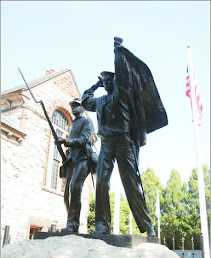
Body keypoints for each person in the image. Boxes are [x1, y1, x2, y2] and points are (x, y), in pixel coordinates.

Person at [82, 37, 168, 236]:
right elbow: (85, 100)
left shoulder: (122, 93)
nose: (105, 82)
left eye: (107, 79)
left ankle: (147, 226)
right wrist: (96, 84)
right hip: (106, 144)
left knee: (131, 183)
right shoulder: (101, 101)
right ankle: (102, 225)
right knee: (102, 182)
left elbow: (121, 74)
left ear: (114, 81)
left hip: (124, 143)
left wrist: (118, 52)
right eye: (103, 80)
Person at [55, 98, 98, 233]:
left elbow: (85, 140)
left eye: (76, 106)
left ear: (82, 108)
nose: (73, 108)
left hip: (83, 157)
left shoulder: (87, 121)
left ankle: (73, 224)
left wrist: (65, 140)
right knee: (67, 194)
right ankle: (71, 223)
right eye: (72, 106)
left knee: (75, 187)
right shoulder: (74, 124)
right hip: (72, 159)